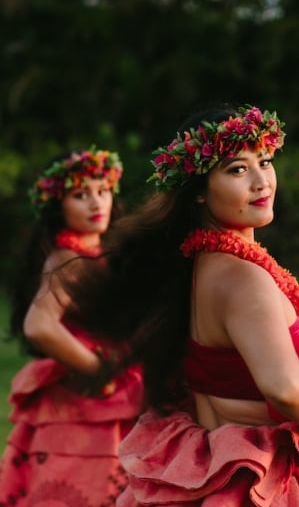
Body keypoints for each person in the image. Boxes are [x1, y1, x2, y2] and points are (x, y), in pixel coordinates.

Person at [62, 105, 299, 506]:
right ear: (200, 188)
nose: (261, 182)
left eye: (266, 162)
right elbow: (284, 388)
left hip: (227, 465)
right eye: (238, 169)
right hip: (262, 478)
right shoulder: (242, 277)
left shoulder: (202, 264)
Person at [0, 148, 144, 506]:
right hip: (90, 398)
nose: (97, 202)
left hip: (112, 391)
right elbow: (38, 325)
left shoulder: (91, 251)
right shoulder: (68, 258)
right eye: (81, 195)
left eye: (102, 190)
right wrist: (97, 366)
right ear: (57, 207)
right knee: (87, 488)